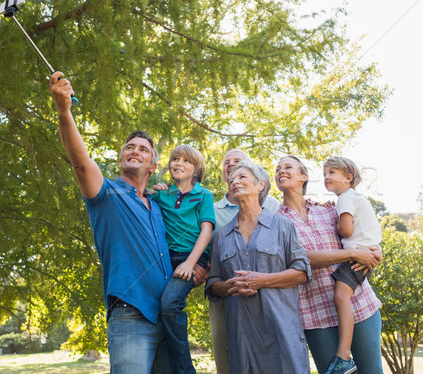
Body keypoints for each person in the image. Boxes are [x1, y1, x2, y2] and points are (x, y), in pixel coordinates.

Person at [49, 72, 205, 373]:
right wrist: (64, 110)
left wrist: (199, 266)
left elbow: (190, 235)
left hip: (168, 317)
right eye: (129, 147)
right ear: (122, 158)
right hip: (131, 316)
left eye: (143, 149)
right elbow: (81, 162)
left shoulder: (160, 204)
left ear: (154, 166)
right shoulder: (105, 193)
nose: (134, 151)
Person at [275, 155, 384, 374]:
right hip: (315, 314)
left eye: (288, 167)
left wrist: (375, 251)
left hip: (360, 305)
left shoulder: (329, 210)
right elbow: (299, 259)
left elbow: (360, 235)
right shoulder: (275, 222)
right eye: (277, 169)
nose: (280, 171)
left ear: (304, 177)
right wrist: (352, 253)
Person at [206, 161, 312, 374]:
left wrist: (261, 280)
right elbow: (212, 284)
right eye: (232, 179)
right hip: (241, 338)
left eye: (242, 177)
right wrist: (229, 286)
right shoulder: (220, 236)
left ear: (260, 185)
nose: (234, 181)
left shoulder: (283, 225)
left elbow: (301, 271)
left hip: (281, 332)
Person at [210, 149, 281, 374]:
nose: (231, 165)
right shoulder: (212, 210)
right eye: (226, 163)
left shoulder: (273, 206)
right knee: (228, 354)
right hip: (227, 296)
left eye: (238, 162)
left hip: (270, 294)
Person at [151, 144, 215, 374]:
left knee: (170, 304)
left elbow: (206, 231)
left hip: (191, 259)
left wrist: (191, 263)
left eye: (186, 161)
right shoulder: (162, 194)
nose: (178, 163)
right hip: (165, 260)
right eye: (175, 159)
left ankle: (186, 370)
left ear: (196, 169)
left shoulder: (203, 195)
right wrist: (153, 191)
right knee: (158, 310)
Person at [322, 156, 382, 374]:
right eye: (325, 173)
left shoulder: (346, 198)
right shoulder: (351, 198)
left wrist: (336, 223)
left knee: (340, 297)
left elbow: (346, 231)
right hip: (364, 253)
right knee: (343, 297)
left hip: (357, 256)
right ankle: (345, 353)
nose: (326, 177)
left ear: (348, 178)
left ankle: (343, 355)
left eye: (332, 173)